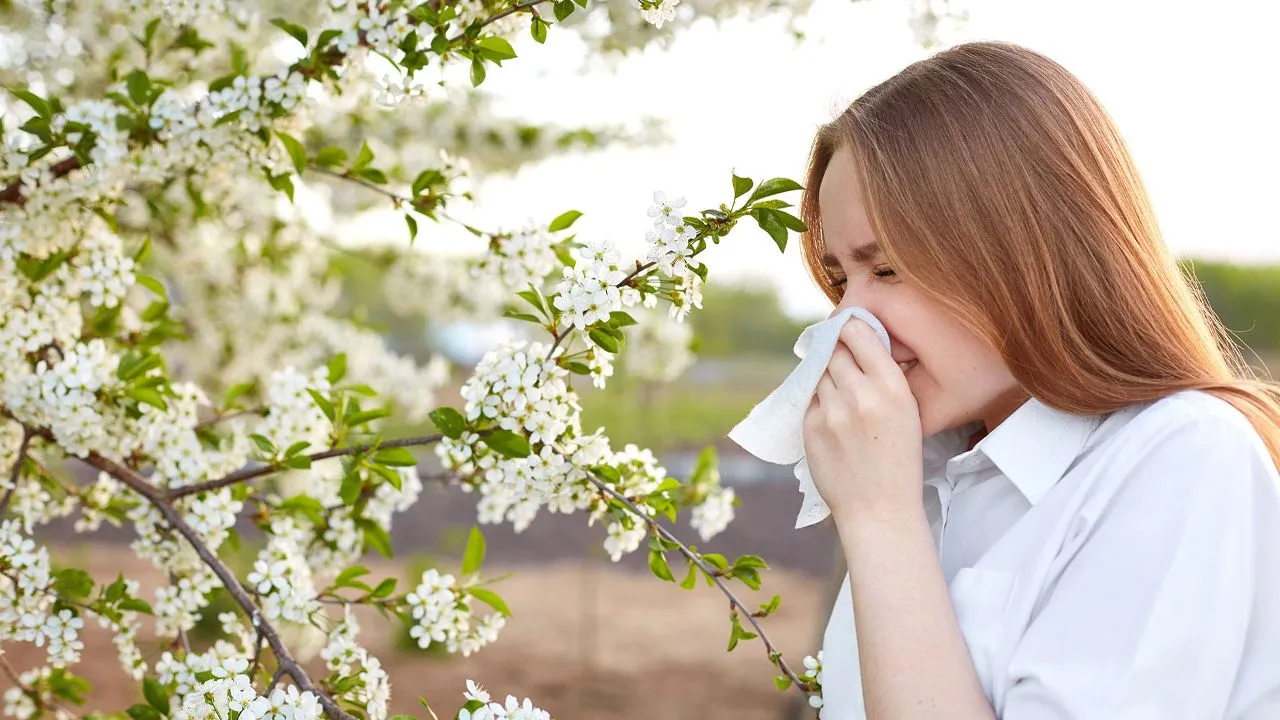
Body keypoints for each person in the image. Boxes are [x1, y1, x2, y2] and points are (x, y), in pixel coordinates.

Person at [798, 40, 1280, 719]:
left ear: (1025, 252)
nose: (850, 321)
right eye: (839, 278)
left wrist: (881, 522)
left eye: (887, 270)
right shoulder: (926, 477)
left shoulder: (1181, 457)